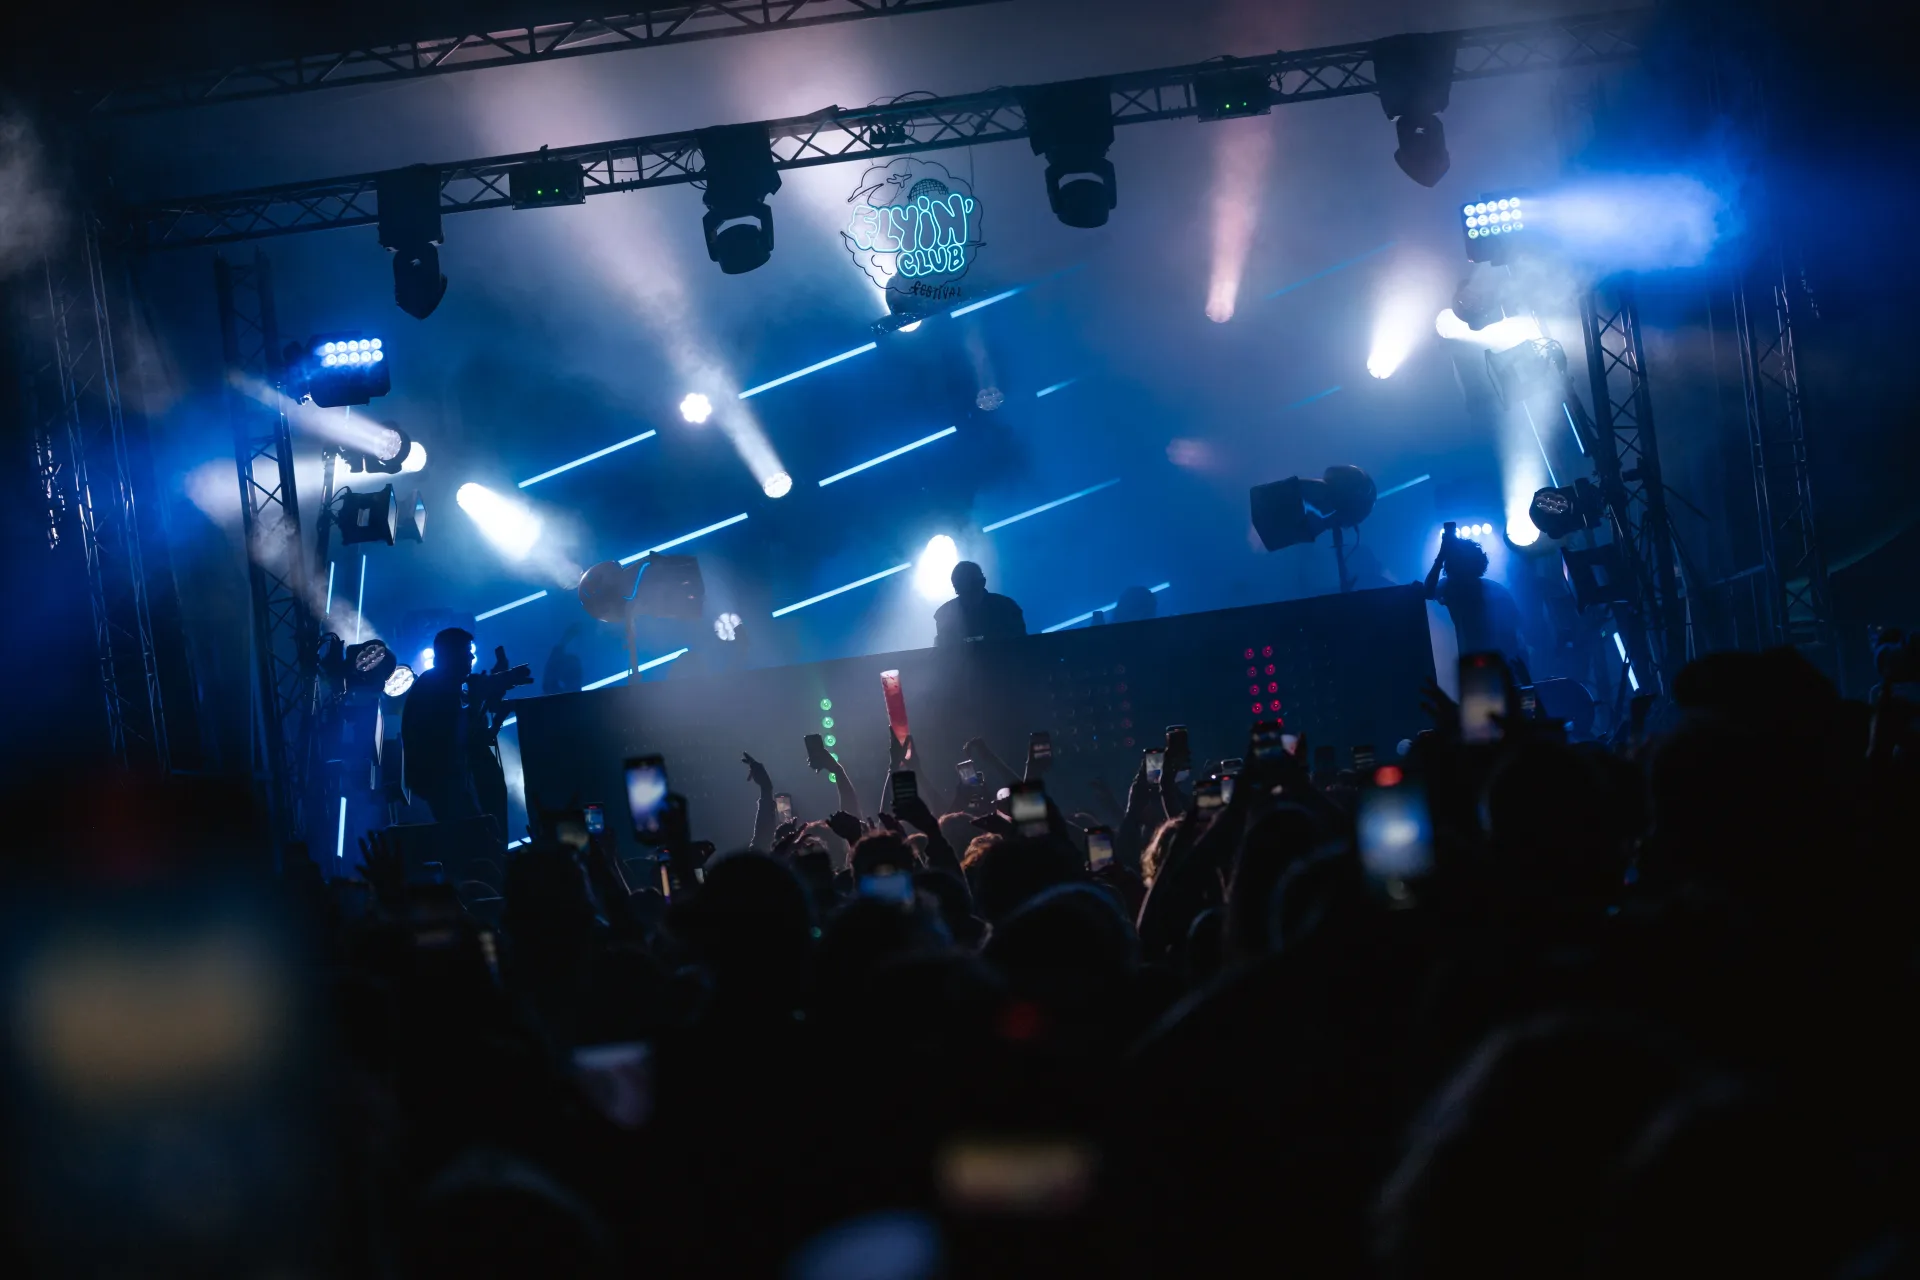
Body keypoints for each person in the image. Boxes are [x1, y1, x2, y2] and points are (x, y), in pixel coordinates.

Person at [401, 627, 483, 823]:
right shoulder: (437, 686)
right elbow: (452, 736)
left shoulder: (436, 683)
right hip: (442, 783)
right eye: (466, 651)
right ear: (452, 654)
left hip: (442, 782)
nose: (471, 656)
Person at [1423, 530, 1526, 669]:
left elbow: (1427, 592)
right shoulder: (1497, 590)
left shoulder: (1450, 587)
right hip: (1490, 663)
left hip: (1491, 663)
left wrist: (1441, 555)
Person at [934, 561, 1026, 646]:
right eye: (966, 585)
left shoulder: (1007, 607)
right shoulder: (1007, 606)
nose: (969, 590)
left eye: (971, 584)